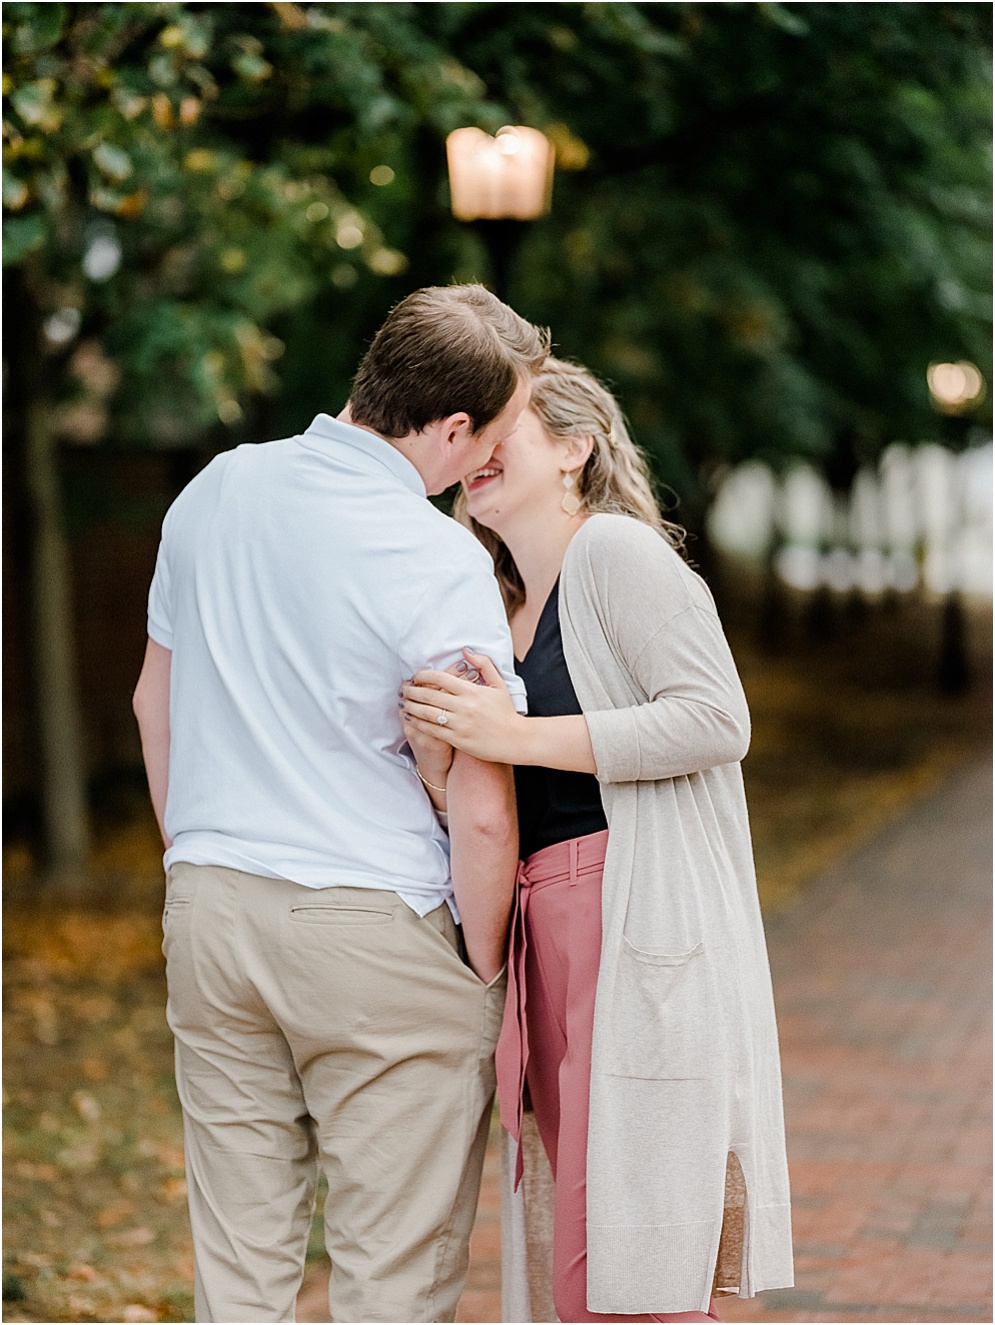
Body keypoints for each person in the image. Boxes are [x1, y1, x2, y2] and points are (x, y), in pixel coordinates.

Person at [132, 285, 550, 1323]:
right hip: (376, 925)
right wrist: (482, 970)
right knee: (391, 1278)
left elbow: (153, 699)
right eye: (489, 437)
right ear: (452, 429)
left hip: (212, 906)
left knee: (239, 1263)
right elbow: (483, 800)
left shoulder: (216, 489)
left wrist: (195, 856)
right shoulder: (437, 558)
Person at [400, 358, 794, 1323]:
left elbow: (715, 718)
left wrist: (512, 735)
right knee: (579, 1249)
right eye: (473, 436)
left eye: (508, 429)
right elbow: (495, 799)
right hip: (542, 924)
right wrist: (439, 760)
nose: (479, 450)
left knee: (637, 1243)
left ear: (575, 448)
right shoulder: (498, 602)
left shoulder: (615, 553)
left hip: (630, 911)